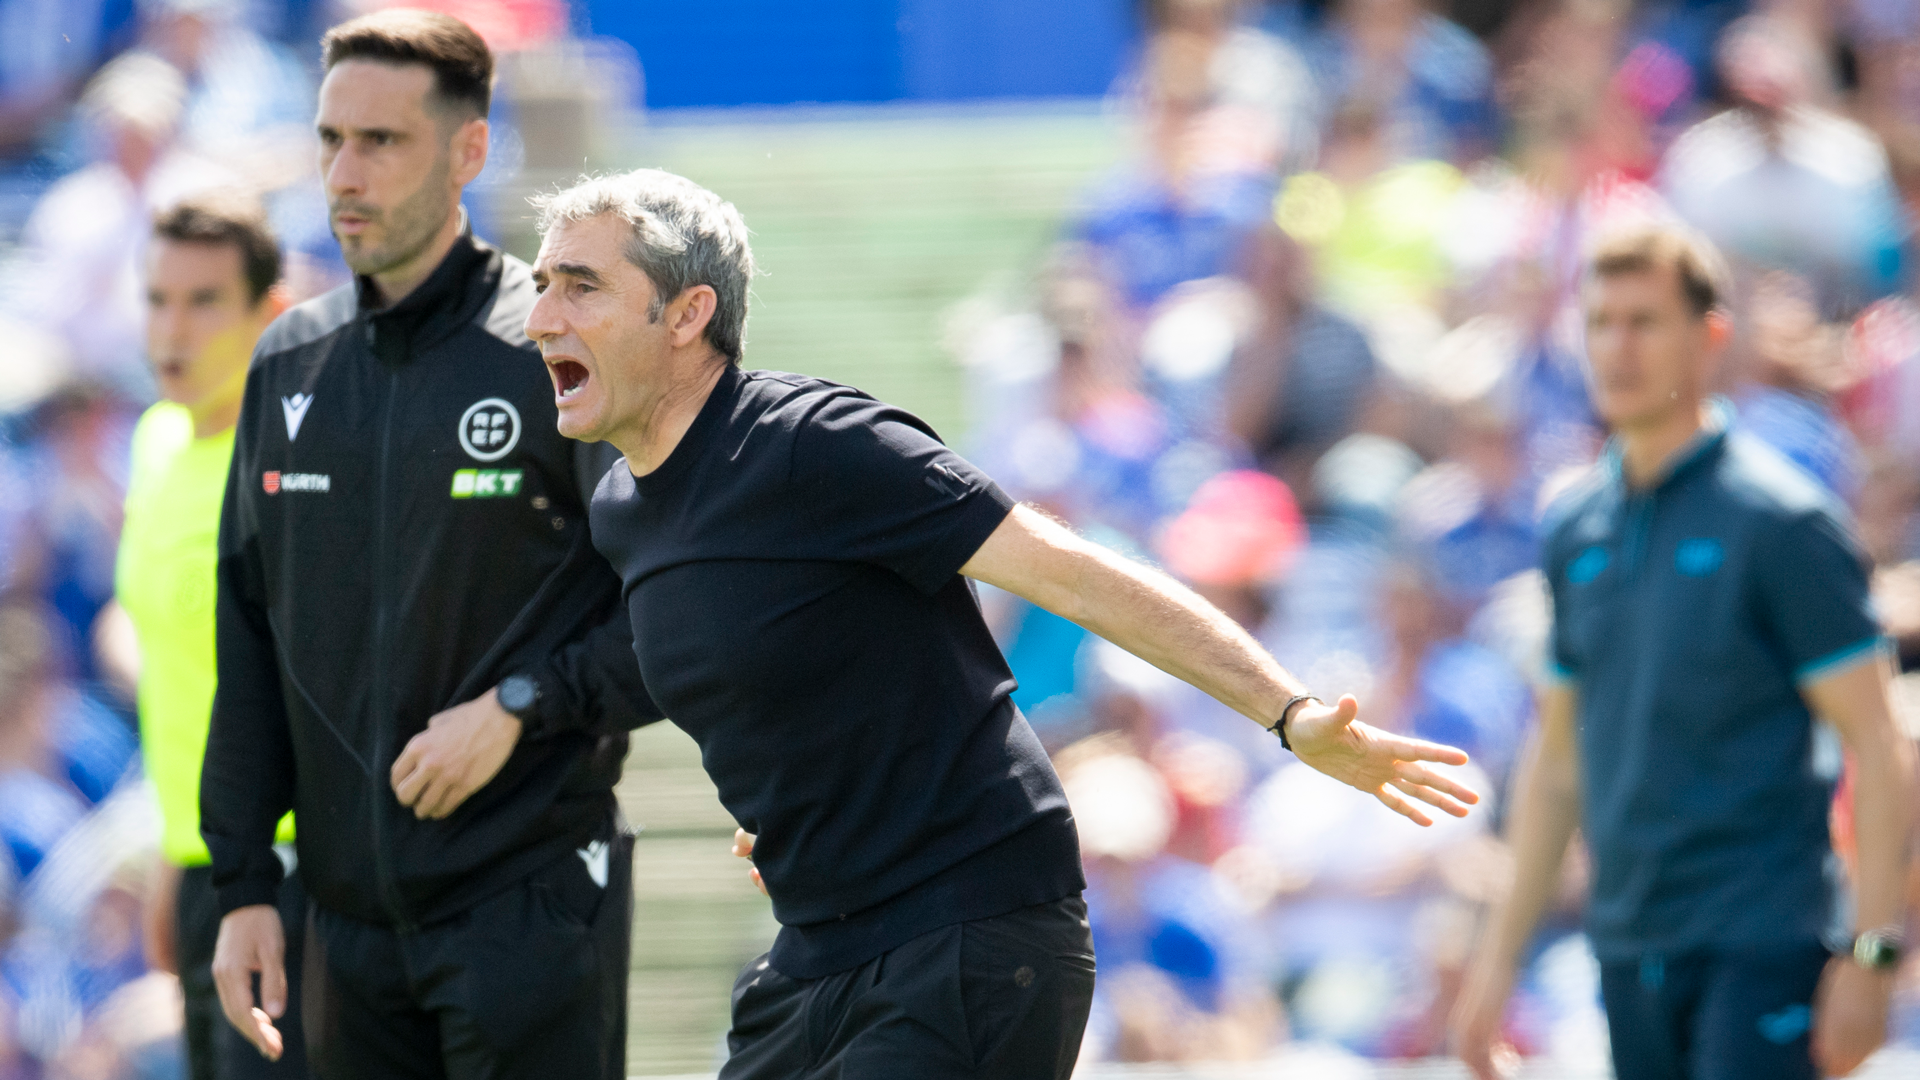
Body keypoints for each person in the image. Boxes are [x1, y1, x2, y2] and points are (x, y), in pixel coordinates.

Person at [523, 167, 1481, 1079]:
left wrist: (1287, 712)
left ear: (688, 313)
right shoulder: (622, 509)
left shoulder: (821, 445)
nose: (541, 319)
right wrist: (801, 806)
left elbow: (1077, 578)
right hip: (819, 948)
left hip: (971, 931)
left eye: (581, 287)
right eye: (540, 286)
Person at [198, 12, 651, 1079]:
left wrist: (519, 706)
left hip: (528, 906)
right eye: (329, 140)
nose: (344, 174)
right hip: (341, 930)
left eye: (382, 142)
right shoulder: (290, 361)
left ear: (470, 151)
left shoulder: (556, 348)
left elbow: (670, 613)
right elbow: (249, 632)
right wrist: (243, 886)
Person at [1450, 225, 1917, 1079]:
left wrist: (1872, 955)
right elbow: (1558, 763)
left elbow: (1880, 746)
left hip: (1762, 941)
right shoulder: (1575, 525)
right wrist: (1496, 965)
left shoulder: (1781, 523)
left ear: (1709, 337)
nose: (1618, 347)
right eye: (1601, 322)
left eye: (1644, 321)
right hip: (1627, 945)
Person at [116, 193, 309, 1080]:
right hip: (200, 866)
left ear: (268, 311)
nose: (173, 329)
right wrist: (174, 855)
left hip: (284, 870)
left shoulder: (292, 466)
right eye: (158, 299)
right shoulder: (153, 442)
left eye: (204, 301)